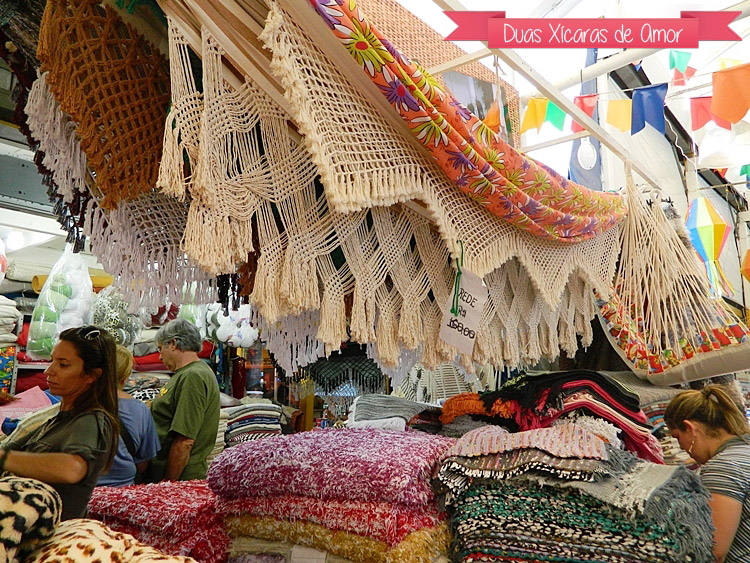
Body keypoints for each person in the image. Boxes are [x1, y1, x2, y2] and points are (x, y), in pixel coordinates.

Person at [0, 326, 119, 520]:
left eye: (63, 365)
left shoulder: (90, 420)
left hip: (39, 534)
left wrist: (4, 458)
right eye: (52, 361)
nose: (49, 371)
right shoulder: (58, 417)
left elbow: (73, 468)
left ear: (92, 375)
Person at [665, 384, 750, 563]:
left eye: (677, 437)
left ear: (690, 428)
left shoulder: (723, 467)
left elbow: (713, 551)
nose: (681, 447)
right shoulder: (744, 451)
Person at [146, 319, 219, 482]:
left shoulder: (192, 376)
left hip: (181, 478)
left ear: (172, 343)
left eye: (160, 349)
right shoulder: (188, 373)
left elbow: (185, 441)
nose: (159, 357)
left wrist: (168, 484)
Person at [97, 345, 160, 486]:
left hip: (81, 494)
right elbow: (142, 464)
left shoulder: (76, 404)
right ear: (126, 377)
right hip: (123, 494)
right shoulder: (140, 410)